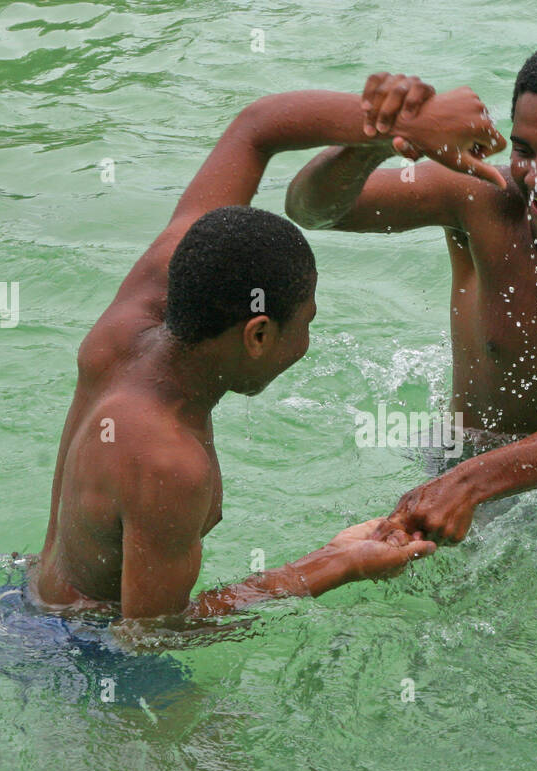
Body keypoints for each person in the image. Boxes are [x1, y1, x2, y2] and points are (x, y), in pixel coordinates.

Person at [31, 86, 507, 623]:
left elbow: (257, 128)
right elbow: (151, 635)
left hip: (27, 595)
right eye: (306, 323)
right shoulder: (169, 462)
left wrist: (399, 130)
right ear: (258, 335)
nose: (306, 343)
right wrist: (332, 565)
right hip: (76, 648)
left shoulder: (134, 315)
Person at [285, 34, 537, 545]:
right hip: (461, 457)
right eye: (524, 151)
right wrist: (375, 140)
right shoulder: (481, 195)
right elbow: (313, 211)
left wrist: (468, 485)